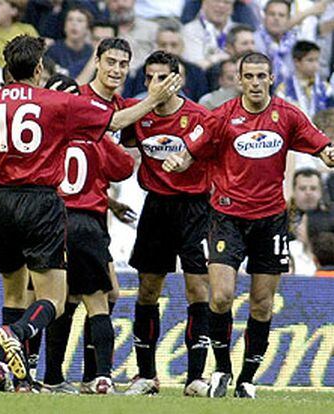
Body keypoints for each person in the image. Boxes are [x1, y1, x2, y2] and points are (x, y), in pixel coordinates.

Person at [0, 34, 181, 388]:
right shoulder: (58, 103)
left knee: (12, 291)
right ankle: (16, 332)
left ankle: (2, 371)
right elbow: (113, 123)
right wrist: (153, 99)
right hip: (42, 204)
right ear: (38, 69)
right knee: (55, 299)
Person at [163, 52, 334, 398]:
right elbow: (189, 149)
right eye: (249, 76)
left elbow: (320, 144)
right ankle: (222, 369)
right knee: (222, 296)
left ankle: (247, 379)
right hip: (226, 217)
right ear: (239, 81)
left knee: (262, 304)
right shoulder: (222, 116)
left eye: (261, 76)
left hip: (270, 221)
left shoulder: (286, 115)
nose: (255, 83)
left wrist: (329, 153)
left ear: (271, 79)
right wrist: (178, 160)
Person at [120, 51, 213, 397]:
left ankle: (195, 378)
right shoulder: (138, 115)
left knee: (197, 289)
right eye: (149, 77)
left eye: (162, 77)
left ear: (178, 79)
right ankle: (146, 376)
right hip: (156, 207)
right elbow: (121, 134)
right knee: (148, 289)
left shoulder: (200, 116)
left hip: (195, 209)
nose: (154, 84)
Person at [39, 73, 135, 394]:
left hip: (50, 222)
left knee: (58, 299)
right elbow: (123, 167)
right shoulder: (92, 135)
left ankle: (50, 376)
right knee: (99, 300)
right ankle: (100, 376)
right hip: (87, 223)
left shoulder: (43, 135)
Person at [46, 5, 94, 78]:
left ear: (88, 29)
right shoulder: (53, 50)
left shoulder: (91, 52)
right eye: (70, 19)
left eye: (80, 20)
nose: (74, 24)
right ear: (64, 27)